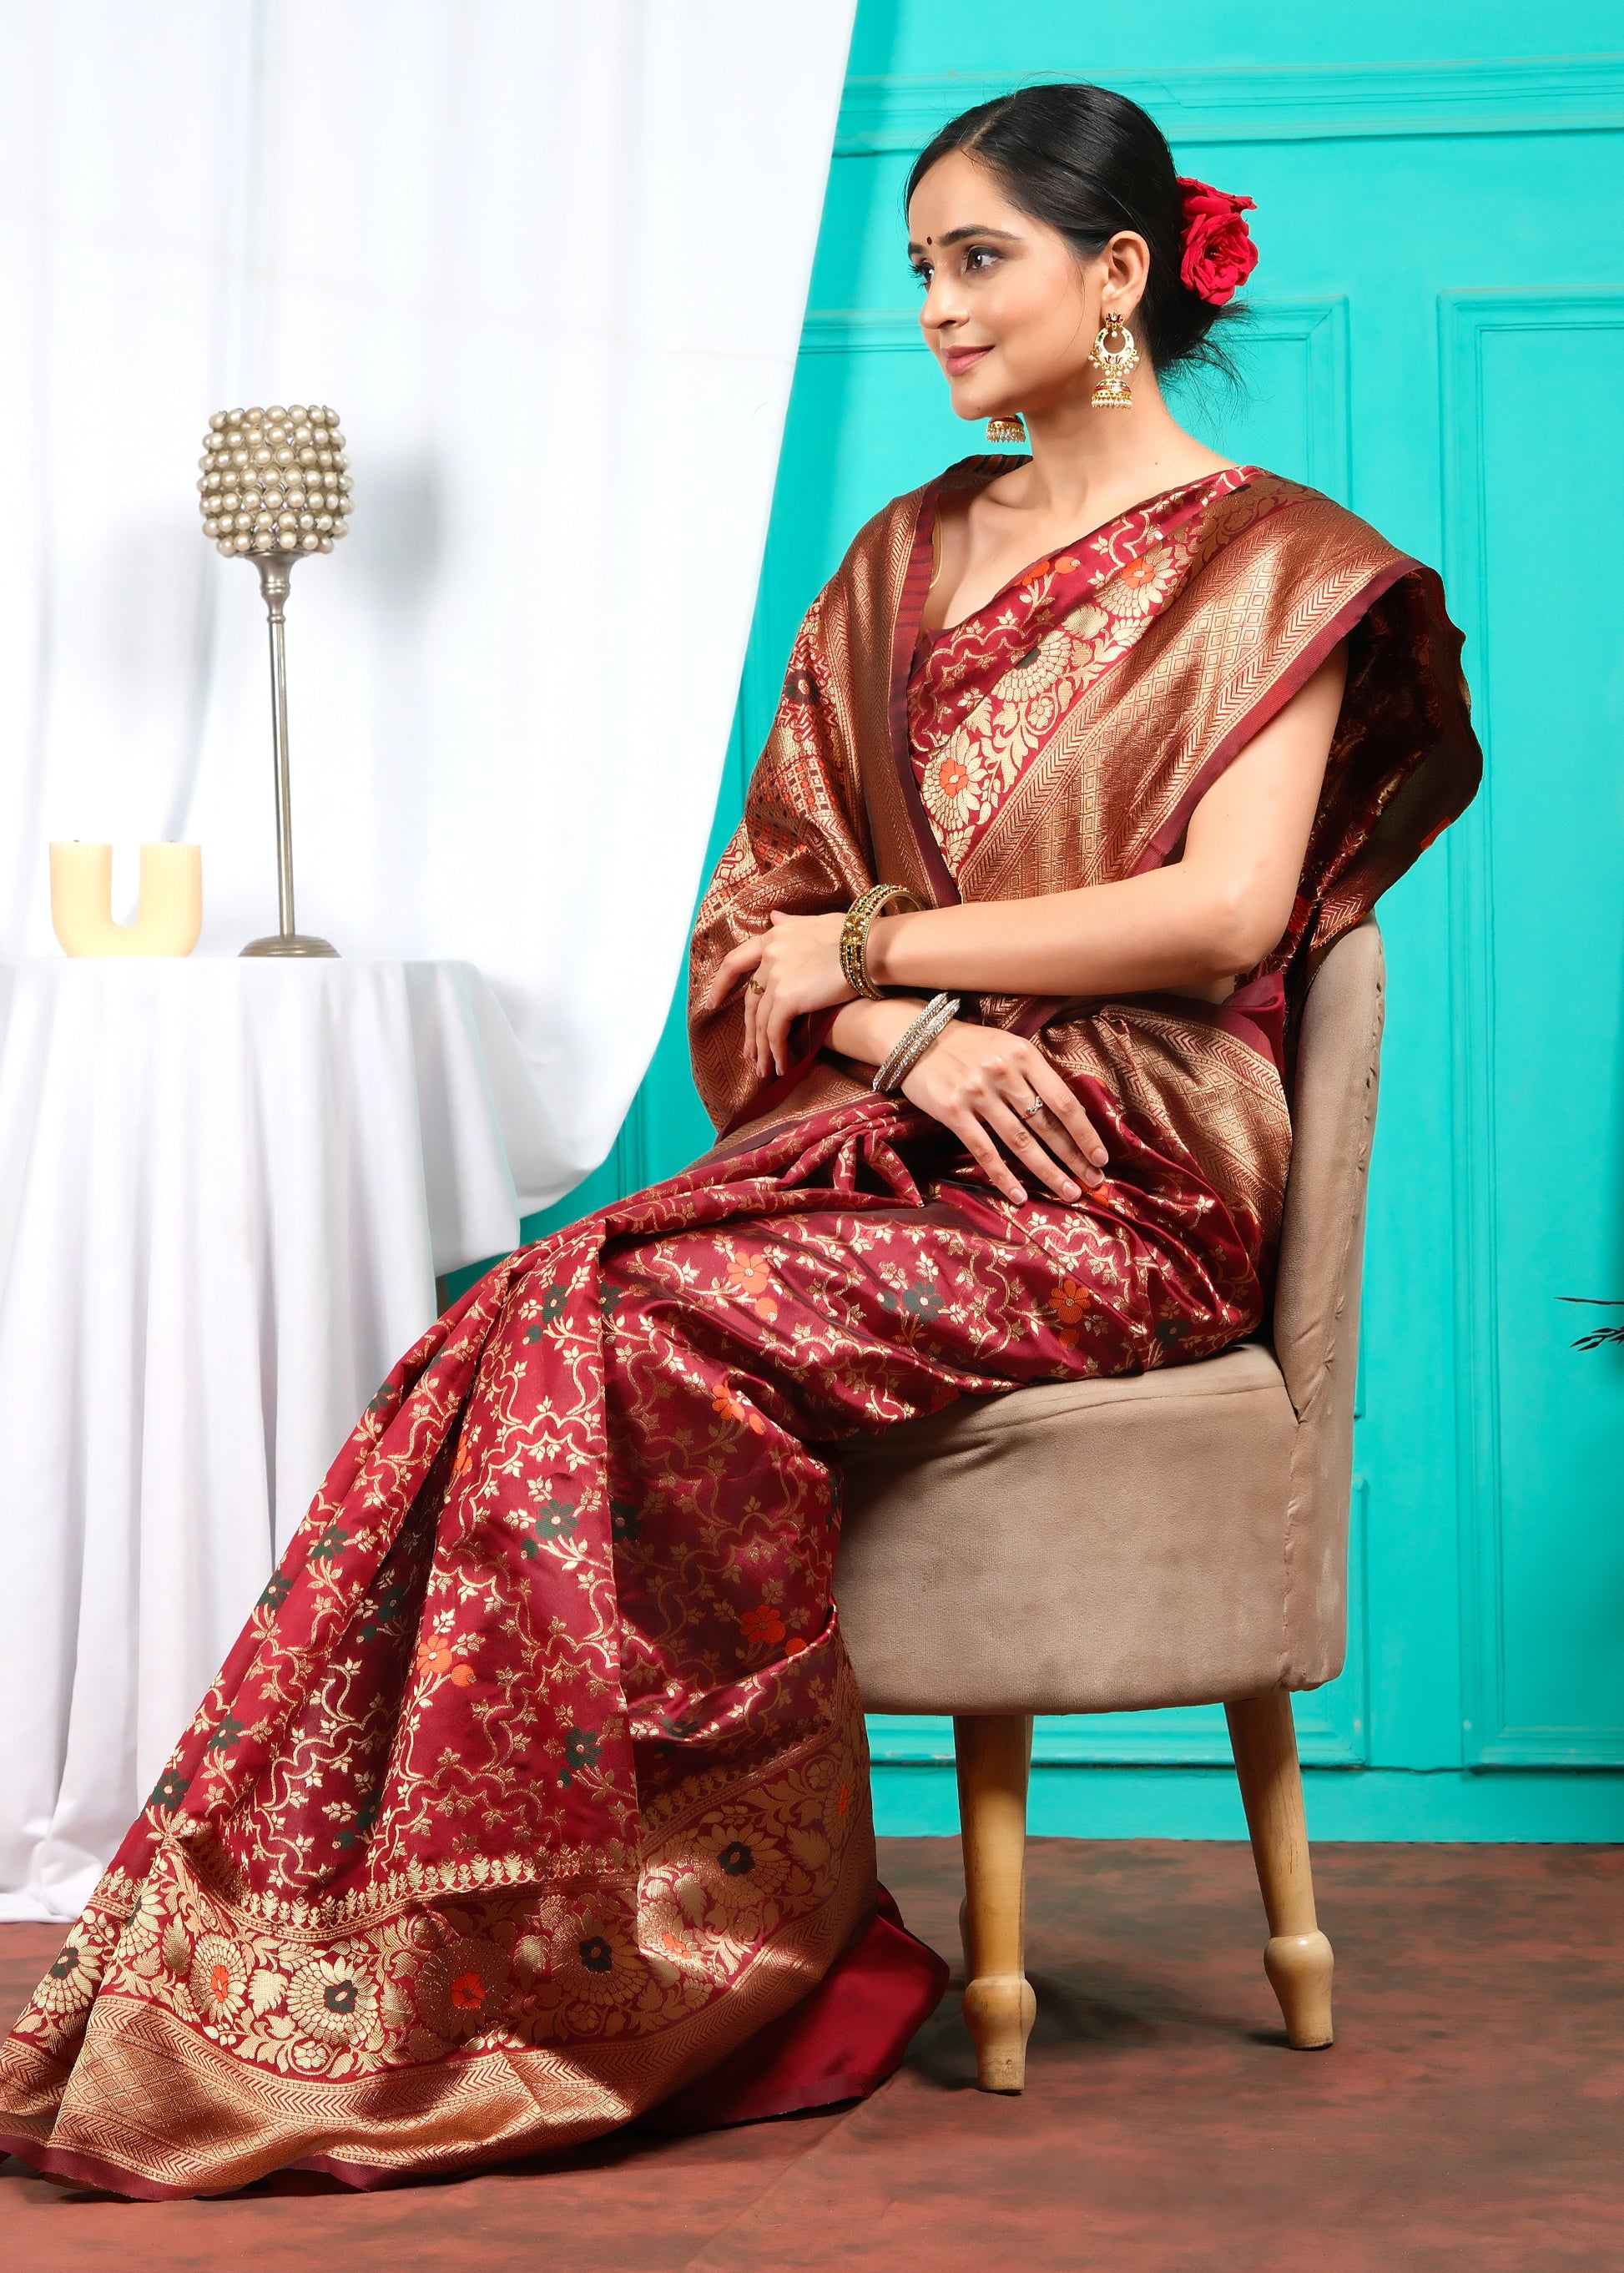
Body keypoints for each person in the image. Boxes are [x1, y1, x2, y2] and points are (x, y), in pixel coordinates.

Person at [0, 83, 1479, 2197]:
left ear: (1121, 275)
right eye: (922, 274)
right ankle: (413, 1957)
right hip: (905, 1129)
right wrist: (910, 1035)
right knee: (518, 1317)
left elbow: (1224, 915)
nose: (941, 314)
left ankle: (682, 1949)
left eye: (982, 263)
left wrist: (886, 956)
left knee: (635, 1338)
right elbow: (755, 931)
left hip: (1117, 1172)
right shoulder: (906, 557)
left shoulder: (1282, 574)